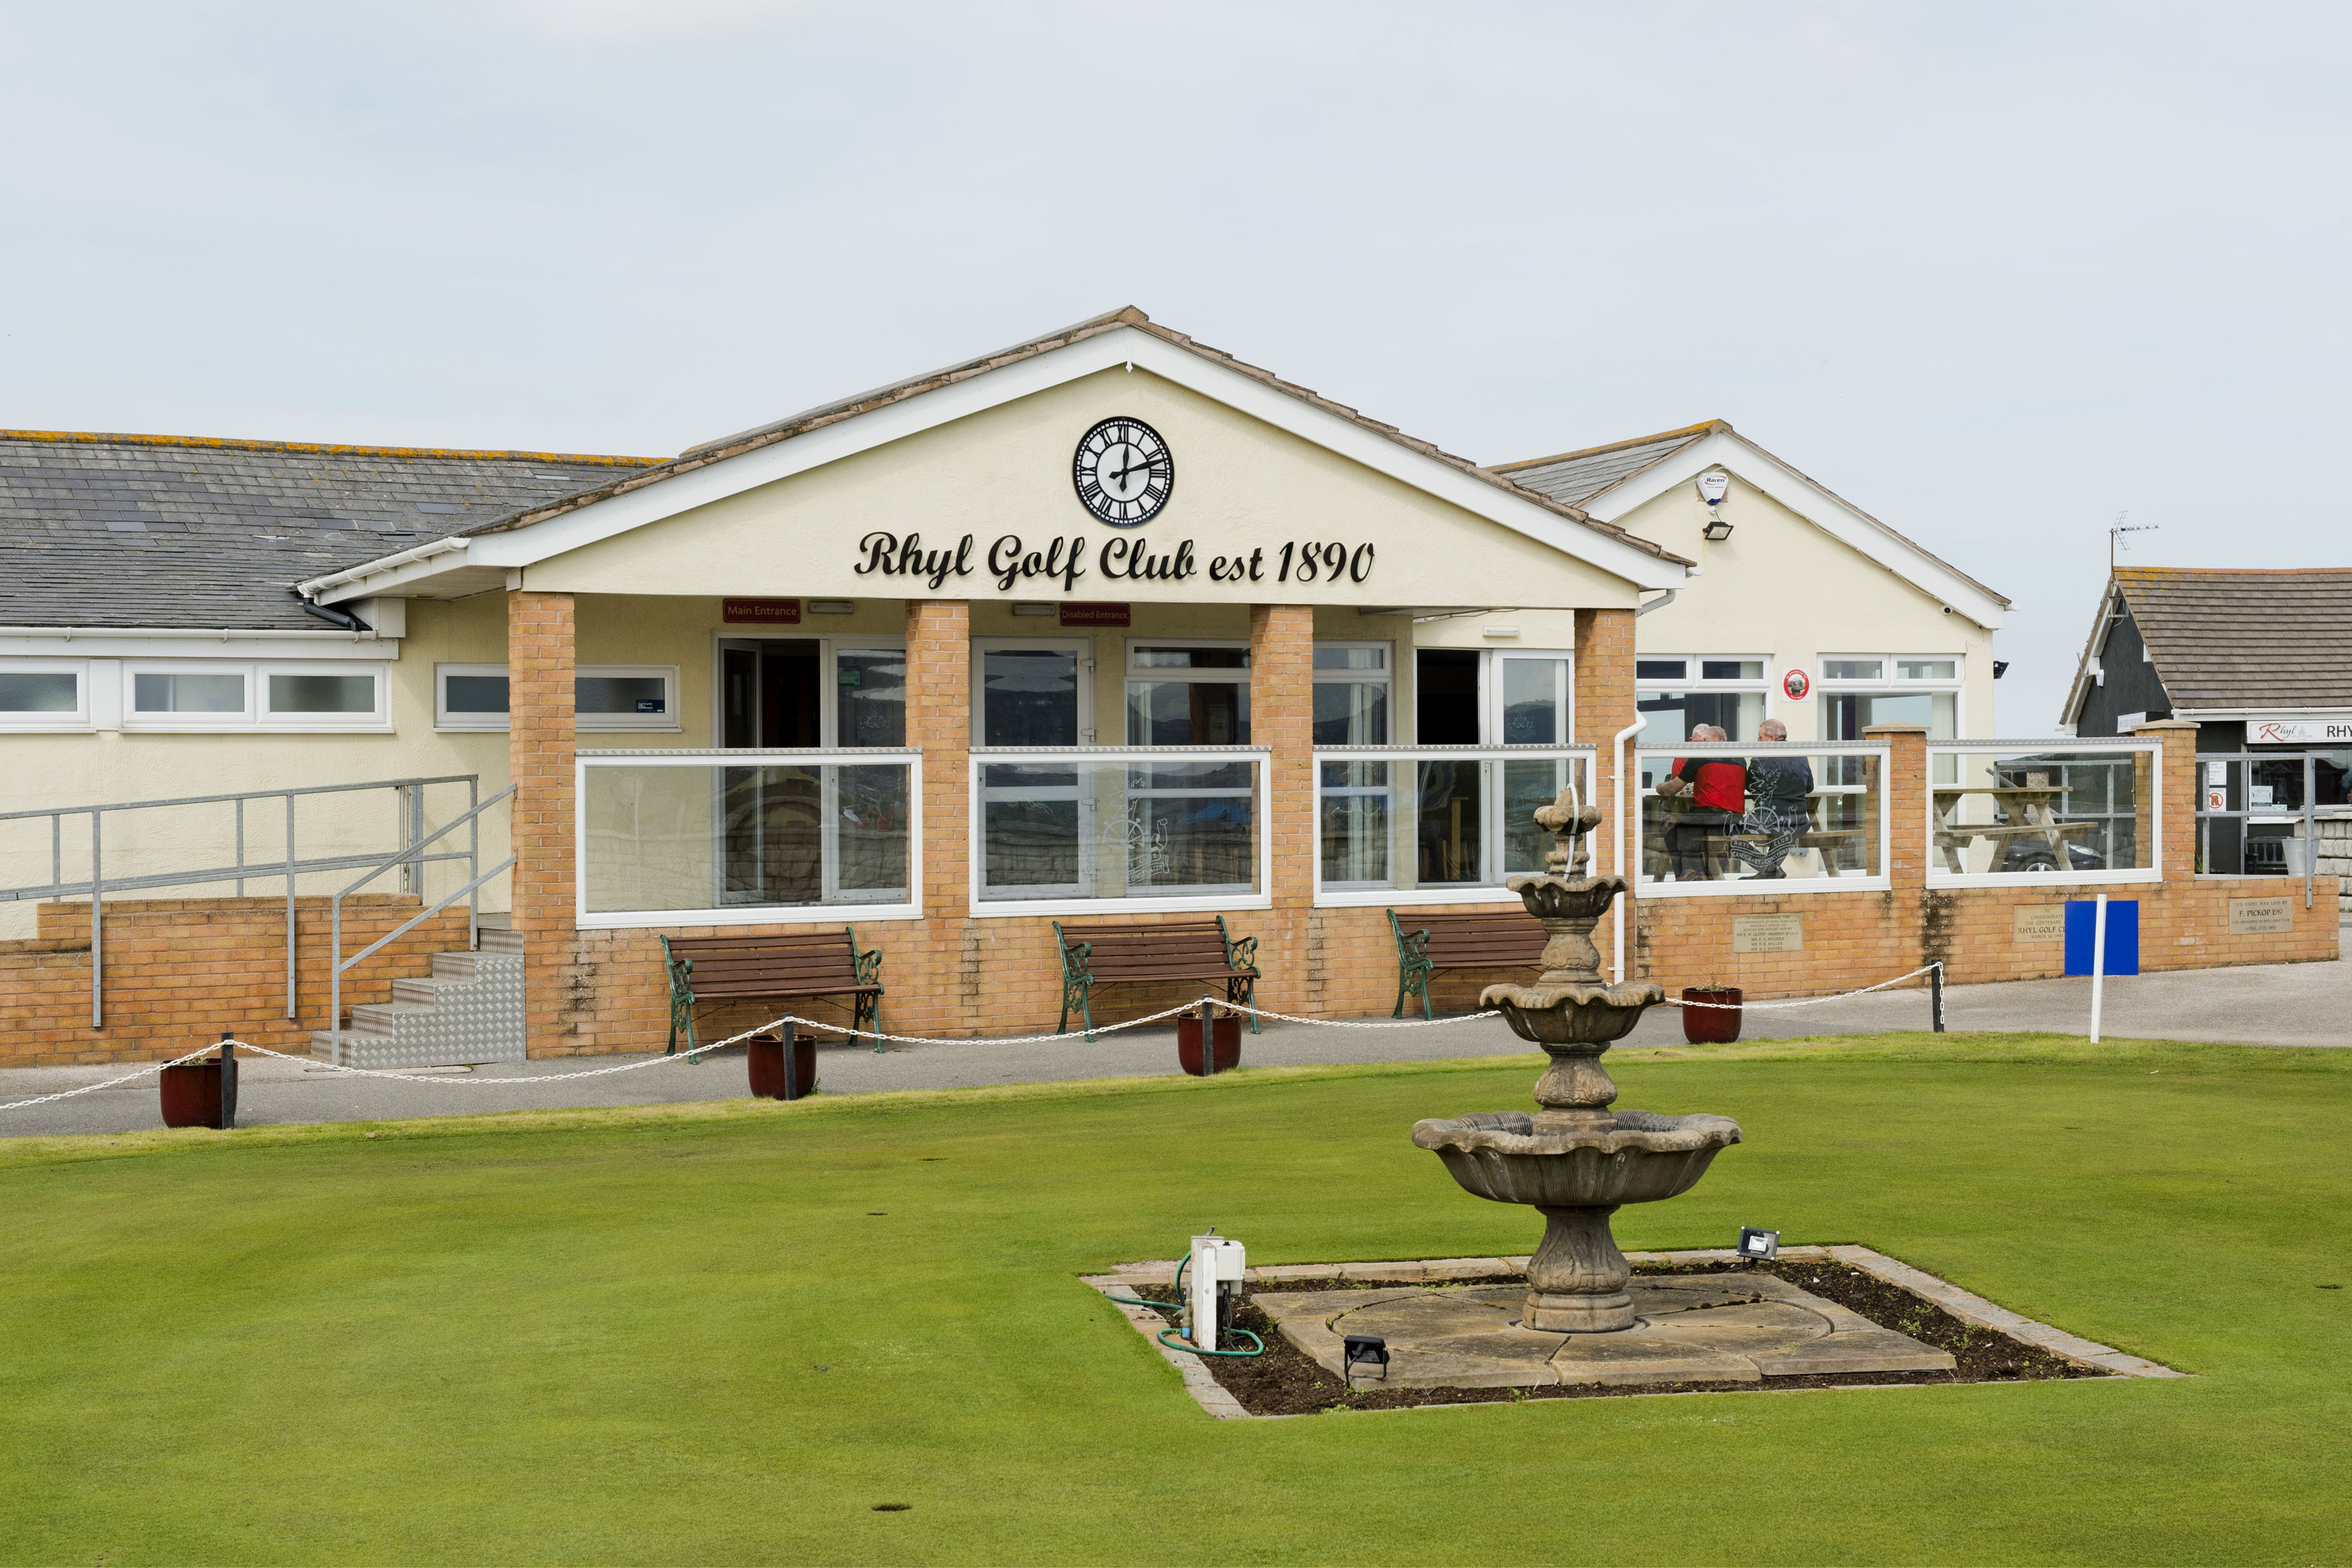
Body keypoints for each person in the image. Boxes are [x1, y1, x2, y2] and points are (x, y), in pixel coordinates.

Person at [1656, 724, 1746, 879]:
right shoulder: (1740, 759)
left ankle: (1692, 873)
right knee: (1697, 833)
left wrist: (1659, 787)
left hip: (1710, 815)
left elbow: (1673, 788)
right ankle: (1702, 873)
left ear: (1706, 740)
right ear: (1724, 741)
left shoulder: (1701, 756)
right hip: (1736, 819)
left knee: (1675, 831)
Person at [1730, 718, 1815, 879]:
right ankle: (1771, 871)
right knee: (1783, 837)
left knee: (1730, 839)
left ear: (1772, 739)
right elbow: (1809, 787)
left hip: (1769, 819)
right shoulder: (1800, 755)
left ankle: (1767, 871)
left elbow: (1751, 786)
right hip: (1799, 821)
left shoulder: (1762, 757)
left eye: (1760, 737)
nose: (1758, 741)